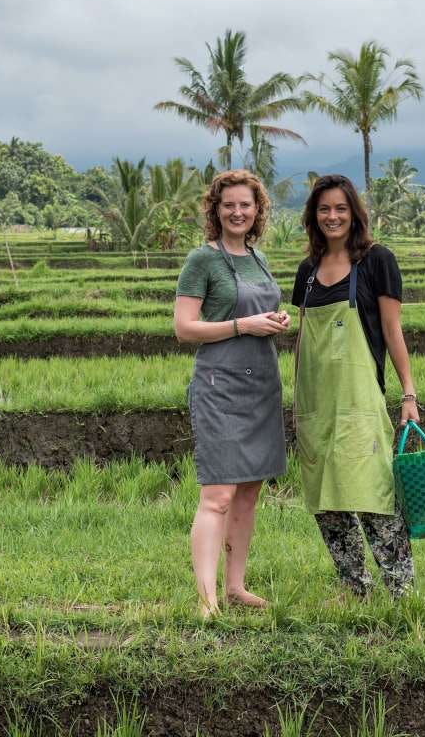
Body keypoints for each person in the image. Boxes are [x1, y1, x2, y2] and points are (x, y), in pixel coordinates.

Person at [290, 174, 420, 599]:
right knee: (326, 499)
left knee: (373, 492)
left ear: (354, 213)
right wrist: (294, 402)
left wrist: (408, 394)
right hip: (315, 403)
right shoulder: (307, 272)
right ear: (314, 216)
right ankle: (353, 586)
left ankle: (401, 590)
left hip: (359, 402)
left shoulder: (376, 260)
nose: (332, 216)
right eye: (324, 209)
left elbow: (392, 330)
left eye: (340, 209)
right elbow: (302, 338)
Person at [174, 169, 290, 618]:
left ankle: (236, 586)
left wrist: (273, 321)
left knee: (247, 493)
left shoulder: (258, 259)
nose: (237, 212)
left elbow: (258, 312)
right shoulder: (202, 260)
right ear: (215, 210)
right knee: (217, 495)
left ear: (258, 210)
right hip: (220, 385)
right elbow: (184, 328)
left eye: (246, 204)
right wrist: (243, 325)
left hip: (261, 383)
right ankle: (206, 600)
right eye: (229, 205)